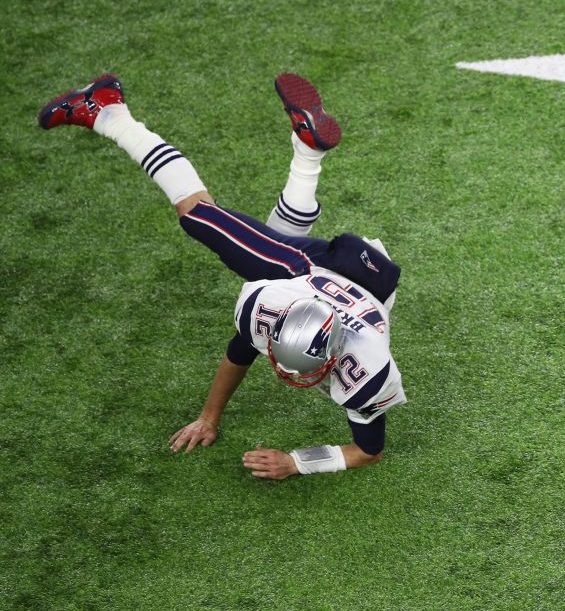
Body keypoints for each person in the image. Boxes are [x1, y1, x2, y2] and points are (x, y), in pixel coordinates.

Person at [38, 73, 405, 480]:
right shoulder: (274, 307)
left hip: (361, 281)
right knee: (197, 214)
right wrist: (208, 418)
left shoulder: (369, 370)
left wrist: (294, 462)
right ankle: (108, 110)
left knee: (271, 237)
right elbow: (242, 349)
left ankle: (306, 153)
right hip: (318, 273)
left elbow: (370, 452)